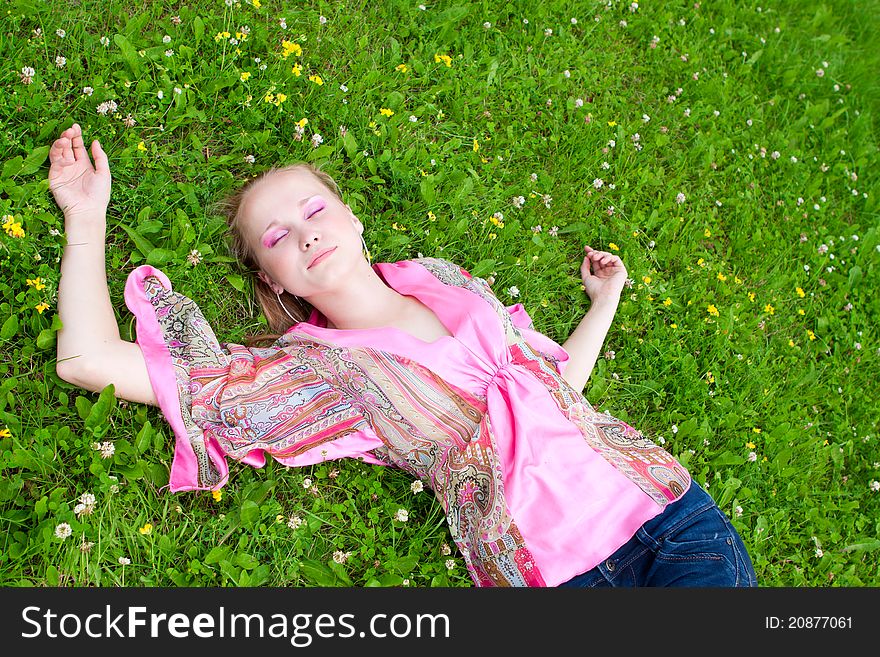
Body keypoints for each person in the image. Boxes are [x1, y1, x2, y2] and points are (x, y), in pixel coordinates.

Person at [49, 122, 758, 588]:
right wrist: (86, 220)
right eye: (276, 237)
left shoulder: (447, 281)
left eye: (315, 210)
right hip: (564, 577)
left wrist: (605, 300)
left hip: (674, 515)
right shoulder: (316, 373)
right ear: (275, 280)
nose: (304, 234)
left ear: (353, 217)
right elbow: (86, 359)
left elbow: (555, 387)